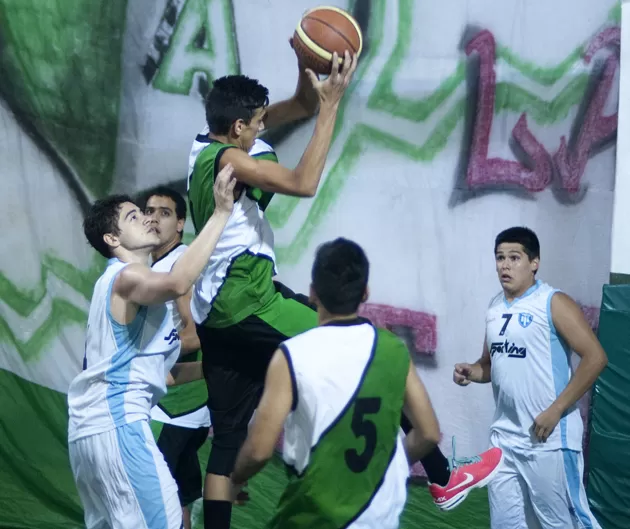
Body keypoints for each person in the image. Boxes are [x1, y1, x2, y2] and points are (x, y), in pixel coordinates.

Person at [189, 52, 502, 528]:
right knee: (365, 351)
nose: (261, 130)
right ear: (236, 128)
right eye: (255, 125)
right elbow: (304, 181)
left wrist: (304, 62)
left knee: (226, 440)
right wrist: (333, 107)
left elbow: (296, 105)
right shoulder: (232, 157)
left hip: (216, 315)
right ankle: (441, 478)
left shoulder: (206, 144)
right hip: (249, 300)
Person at [67, 165, 237, 529]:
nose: (145, 218)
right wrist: (222, 212)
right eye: (134, 215)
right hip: (118, 427)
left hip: (91, 433)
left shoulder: (121, 286)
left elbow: (165, 376)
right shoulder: (127, 276)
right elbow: (178, 282)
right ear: (113, 239)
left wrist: (221, 368)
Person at [231, 237, 441, 528]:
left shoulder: (292, 354)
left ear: (312, 293)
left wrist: (236, 479)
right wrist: (388, 464)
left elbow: (258, 450)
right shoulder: (393, 348)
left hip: (317, 516)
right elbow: (429, 433)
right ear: (365, 293)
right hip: (380, 516)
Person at [453, 226, 608, 529]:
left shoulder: (553, 302)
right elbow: (490, 365)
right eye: (500, 258)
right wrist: (472, 372)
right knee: (506, 525)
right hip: (504, 440)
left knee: (562, 523)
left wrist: (555, 411)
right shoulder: (495, 307)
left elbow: (596, 358)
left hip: (548, 440)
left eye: (514, 257)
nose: (505, 265)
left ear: (534, 262)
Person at [146, 186, 212, 529]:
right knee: (180, 494)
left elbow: (195, 335)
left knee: (157, 496)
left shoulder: (181, 266)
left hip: (178, 404)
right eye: (149, 211)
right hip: (177, 399)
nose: (154, 218)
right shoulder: (153, 264)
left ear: (181, 224)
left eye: (165, 212)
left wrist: (140, 354)